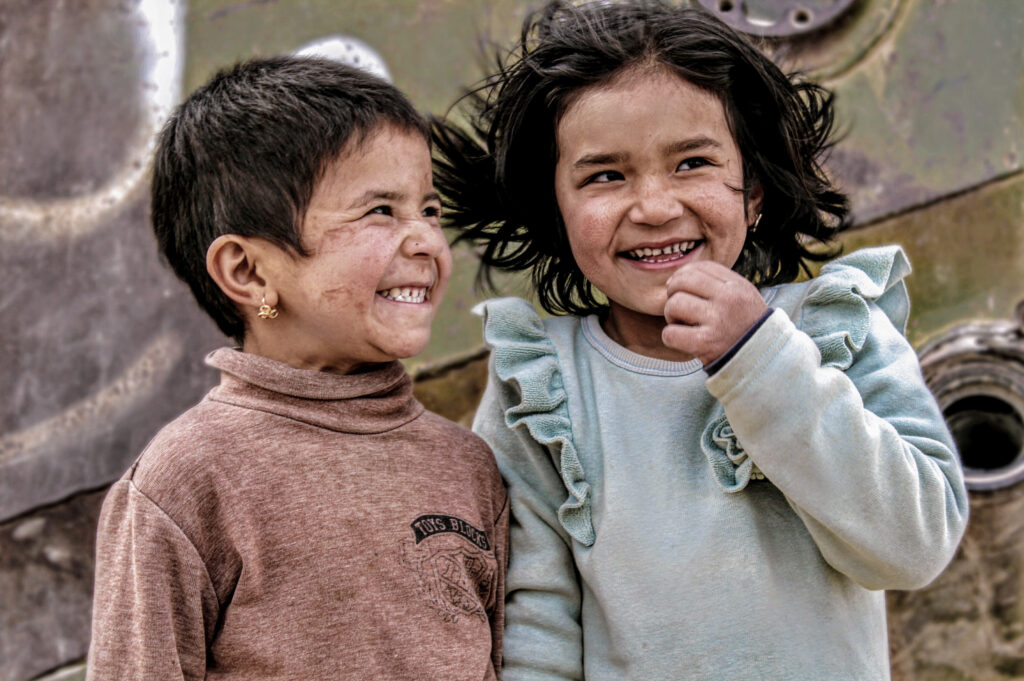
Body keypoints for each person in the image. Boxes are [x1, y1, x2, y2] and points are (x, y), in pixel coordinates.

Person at [431, 1, 968, 679]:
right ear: (556, 210)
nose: (654, 206)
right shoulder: (541, 388)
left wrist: (761, 360)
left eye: (691, 163)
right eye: (605, 175)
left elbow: (911, 547)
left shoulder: (832, 327)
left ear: (755, 191)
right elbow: (537, 628)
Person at [86, 56, 508, 681]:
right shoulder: (186, 482)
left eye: (430, 210)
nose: (424, 241)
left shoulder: (468, 465)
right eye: (379, 211)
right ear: (249, 272)